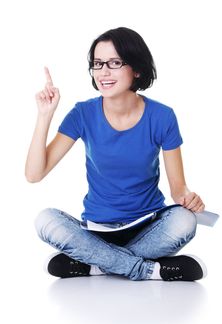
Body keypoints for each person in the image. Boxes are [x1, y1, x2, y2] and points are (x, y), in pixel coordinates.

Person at [25, 27, 207, 281]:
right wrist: (44, 115)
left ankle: (95, 265)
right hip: (97, 230)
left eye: (115, 63)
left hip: (148, 226)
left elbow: (178, 188)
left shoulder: (163, 116)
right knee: (45, 221)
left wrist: (189, 198)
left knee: (185, 220)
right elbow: (34, 174)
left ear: (137, 69)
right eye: (98, 64)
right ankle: (147, 269)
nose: (103, 72)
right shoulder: (83, 114)